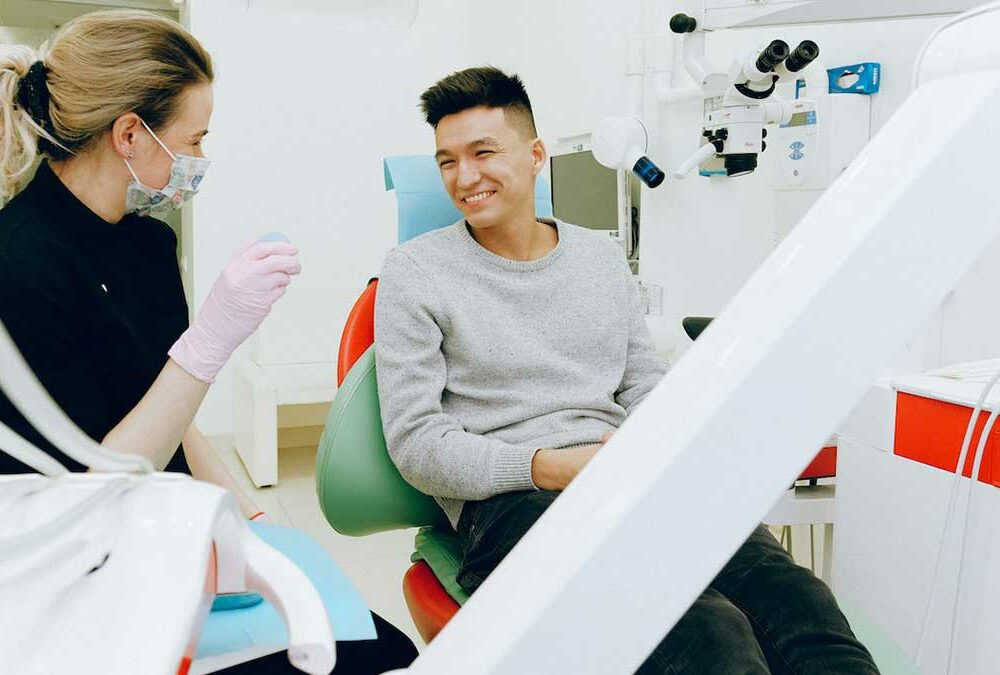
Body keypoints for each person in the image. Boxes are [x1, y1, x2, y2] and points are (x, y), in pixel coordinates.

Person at [374, 65, 879, 674]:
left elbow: (643, 382)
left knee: (800, 605)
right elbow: (416, 442)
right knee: (707, 632)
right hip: (515, 501)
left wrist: (660, 447)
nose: (465, 177)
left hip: (629, 475)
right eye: (447, 162)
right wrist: (552, 467)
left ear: (535, 155)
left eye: (483, 153)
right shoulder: (415, 272)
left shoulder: (599, 257)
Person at [0, 11, 416, 673]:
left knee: (388, 647)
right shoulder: (21, 262)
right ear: (130, 134)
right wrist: (212, 340)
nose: (198, 158)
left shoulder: (147, 243)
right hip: (80, 574)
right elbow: (83, 497)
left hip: (163, 529)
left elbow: (172, 409)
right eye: (193, 139)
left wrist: (252, 520)